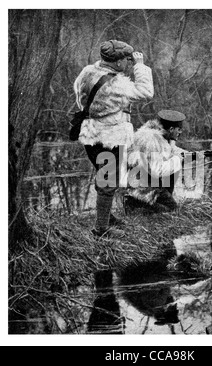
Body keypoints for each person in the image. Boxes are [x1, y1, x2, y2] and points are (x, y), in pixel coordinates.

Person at [73, 40, 154, 237]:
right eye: (126, 60)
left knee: (104, 176)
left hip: (91, 134)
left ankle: (106, 216)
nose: (127, 63)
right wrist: (140, 66)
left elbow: (79, 94)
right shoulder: (116, 84)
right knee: (108, 182)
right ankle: (101, 229)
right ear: (117, 63)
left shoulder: (88, 72)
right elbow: (146, 92)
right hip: (110, 139)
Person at [125, 109, 187, 212]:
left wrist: (189, 154)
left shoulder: (158, 135)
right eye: (179, 129)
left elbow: (170, 150)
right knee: (172, 210)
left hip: (144, 182)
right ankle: (136, 203)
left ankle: (139, 202)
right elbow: (157, 170)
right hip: (143, 188)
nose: (180, 132)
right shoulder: (151, 141)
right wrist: (178, 160)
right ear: (171, 129)